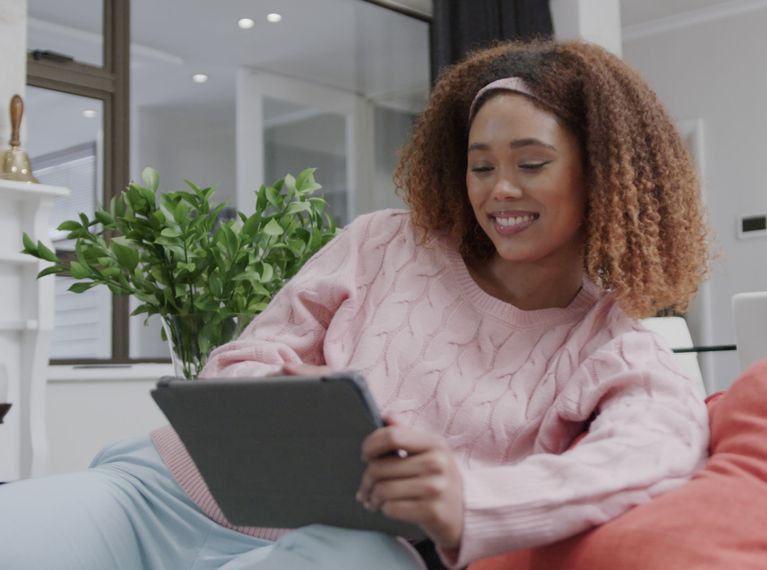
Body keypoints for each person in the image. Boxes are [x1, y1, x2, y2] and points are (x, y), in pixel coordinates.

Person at [0, 39, 711, 569]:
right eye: (480, 164)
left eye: (531, 164)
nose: (499, 190)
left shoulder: (617, 345)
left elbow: (649, 455)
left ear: (605, 176)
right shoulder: (381, 243)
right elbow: (241, 358)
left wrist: (467, 497)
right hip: (163, 493)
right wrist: (292, 400)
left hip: (348, 549)